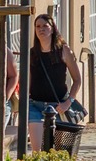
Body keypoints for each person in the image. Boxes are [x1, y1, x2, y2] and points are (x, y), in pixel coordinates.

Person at [27, 13, 83, 144]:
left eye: (45, 26)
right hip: (35, 104)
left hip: (58, 106)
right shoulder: (32, 53)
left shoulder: (63, 51)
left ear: (52, 29)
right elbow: (27, 80)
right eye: (38, 26)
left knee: (57, 149)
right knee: (37, 149)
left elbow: (77, 80)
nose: (41, 29)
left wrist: (68, 102)